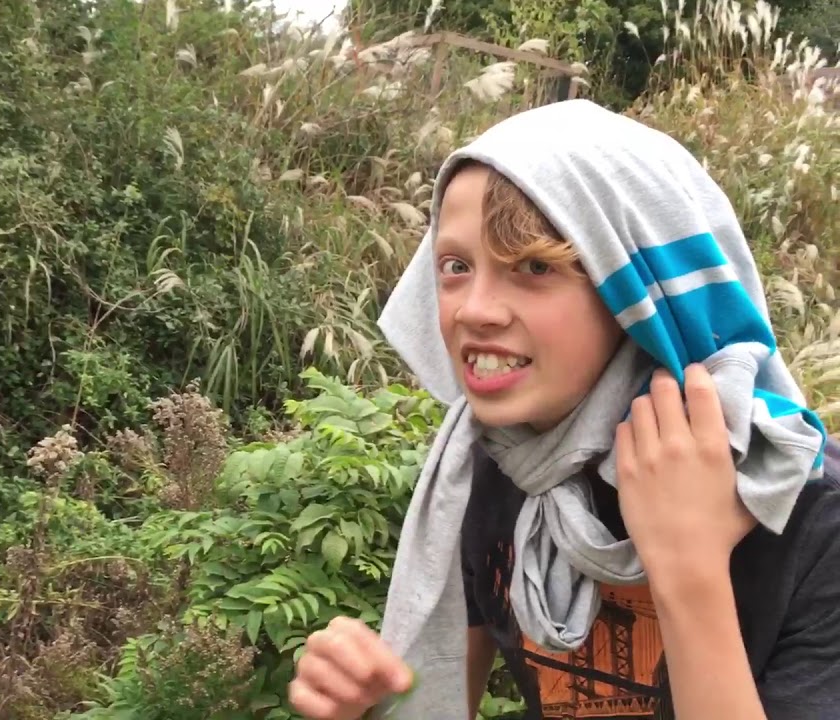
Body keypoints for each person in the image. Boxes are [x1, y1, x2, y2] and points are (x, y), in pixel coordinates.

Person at [286, 99, 840, 720]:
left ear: (639, 295)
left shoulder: (812, 517)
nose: (474, 309)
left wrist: (690, 570)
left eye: (533, 266)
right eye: (456, 266)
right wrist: (368, 708)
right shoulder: (495, 465)